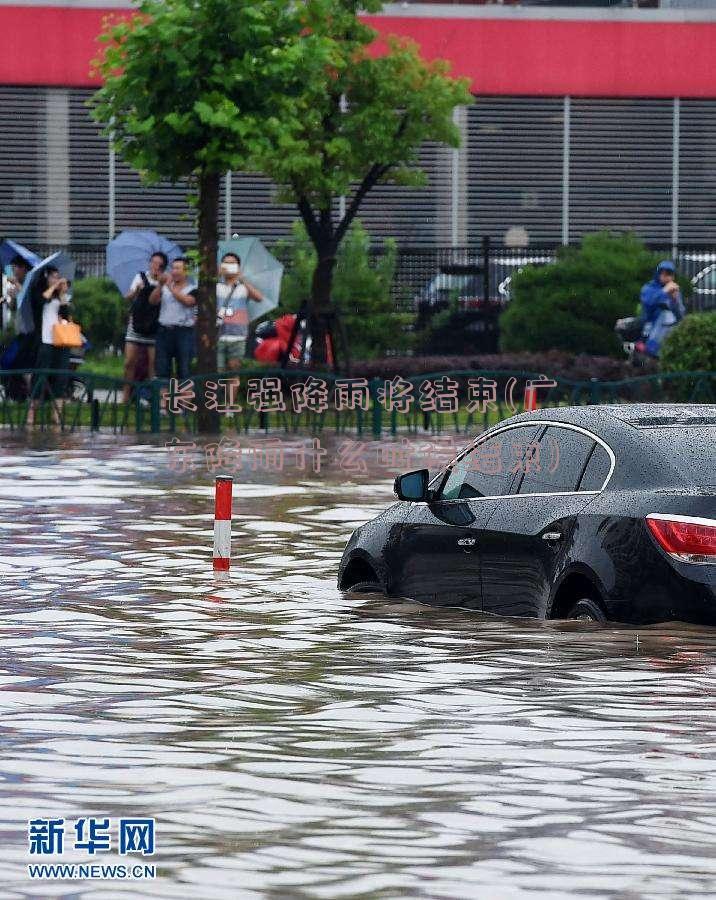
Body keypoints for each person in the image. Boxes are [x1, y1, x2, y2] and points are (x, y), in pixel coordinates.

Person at [27, 266, 72, 424]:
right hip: (44, 340)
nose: (56, 279)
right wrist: (53, 286)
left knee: (60, 377)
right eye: (53, 277)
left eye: (57, 276)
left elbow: (66, 315)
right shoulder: (38, 293)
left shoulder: (58, 295)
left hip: (60, 341)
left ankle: (56, 415)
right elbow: (40, 302)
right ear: (45, 278)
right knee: (40, 376)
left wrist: (62, 293)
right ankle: (31, 414)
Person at [122, 251, 168, 404]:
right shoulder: (141, 277)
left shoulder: (166, 281)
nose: (155, 266)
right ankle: (126, 396)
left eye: (158, 264)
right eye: (153, 262)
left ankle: (150, 397)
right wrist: (136, 290)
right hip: (137, 324)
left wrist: (162, 284)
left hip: (154, 326)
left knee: (152, 365)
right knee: (129, 362)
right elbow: (127, 297)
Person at [150, 257, 197, 382]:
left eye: (177, 268)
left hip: (184, 332)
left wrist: (170, 287)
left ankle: (183, 401)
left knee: (184, 370)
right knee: (162, 370)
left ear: (186, 271)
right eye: (172, 268)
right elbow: (153, 301)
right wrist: (160, 285)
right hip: (164, 332)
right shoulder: (164, 287)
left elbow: (188, 301)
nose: (174, 271)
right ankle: (162, 401)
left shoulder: (193, 288)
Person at [216, 252, 264, 372]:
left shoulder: (243, 287)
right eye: (226, 263)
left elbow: (259, 297)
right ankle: (217, 391)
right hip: (217, 334)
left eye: (232, 264)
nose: (229, 266)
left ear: (238, 267)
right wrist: (216, 275)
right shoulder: (216, 286)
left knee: (234, 370)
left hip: (238, 335)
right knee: (217, 370)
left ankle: (231, 392)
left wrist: (242, 279)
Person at [639, 260, 686, 357]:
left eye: (670, 274)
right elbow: (648, 304)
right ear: (659, 274)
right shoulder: (649, 288)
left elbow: (681, 316)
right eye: (663, 273)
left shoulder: (675, 291)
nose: (667, 276)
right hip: (650, 331)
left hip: (670, 333)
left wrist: (674, 301)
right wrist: (664, 292)